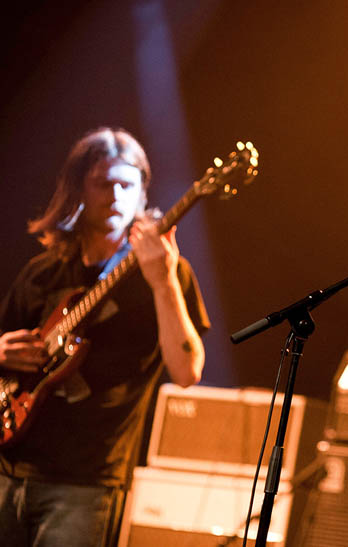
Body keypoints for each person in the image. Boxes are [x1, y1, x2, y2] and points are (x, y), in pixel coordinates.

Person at [0, 127, 210, 546]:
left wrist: (164, 281)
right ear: (78, 187)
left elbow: (187, 371)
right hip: (8, 469)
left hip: (86, 485)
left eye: (126, 185)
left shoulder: (165, 272)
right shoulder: (42, 272)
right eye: (102, 183)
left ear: (141, 192)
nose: (115, 195)